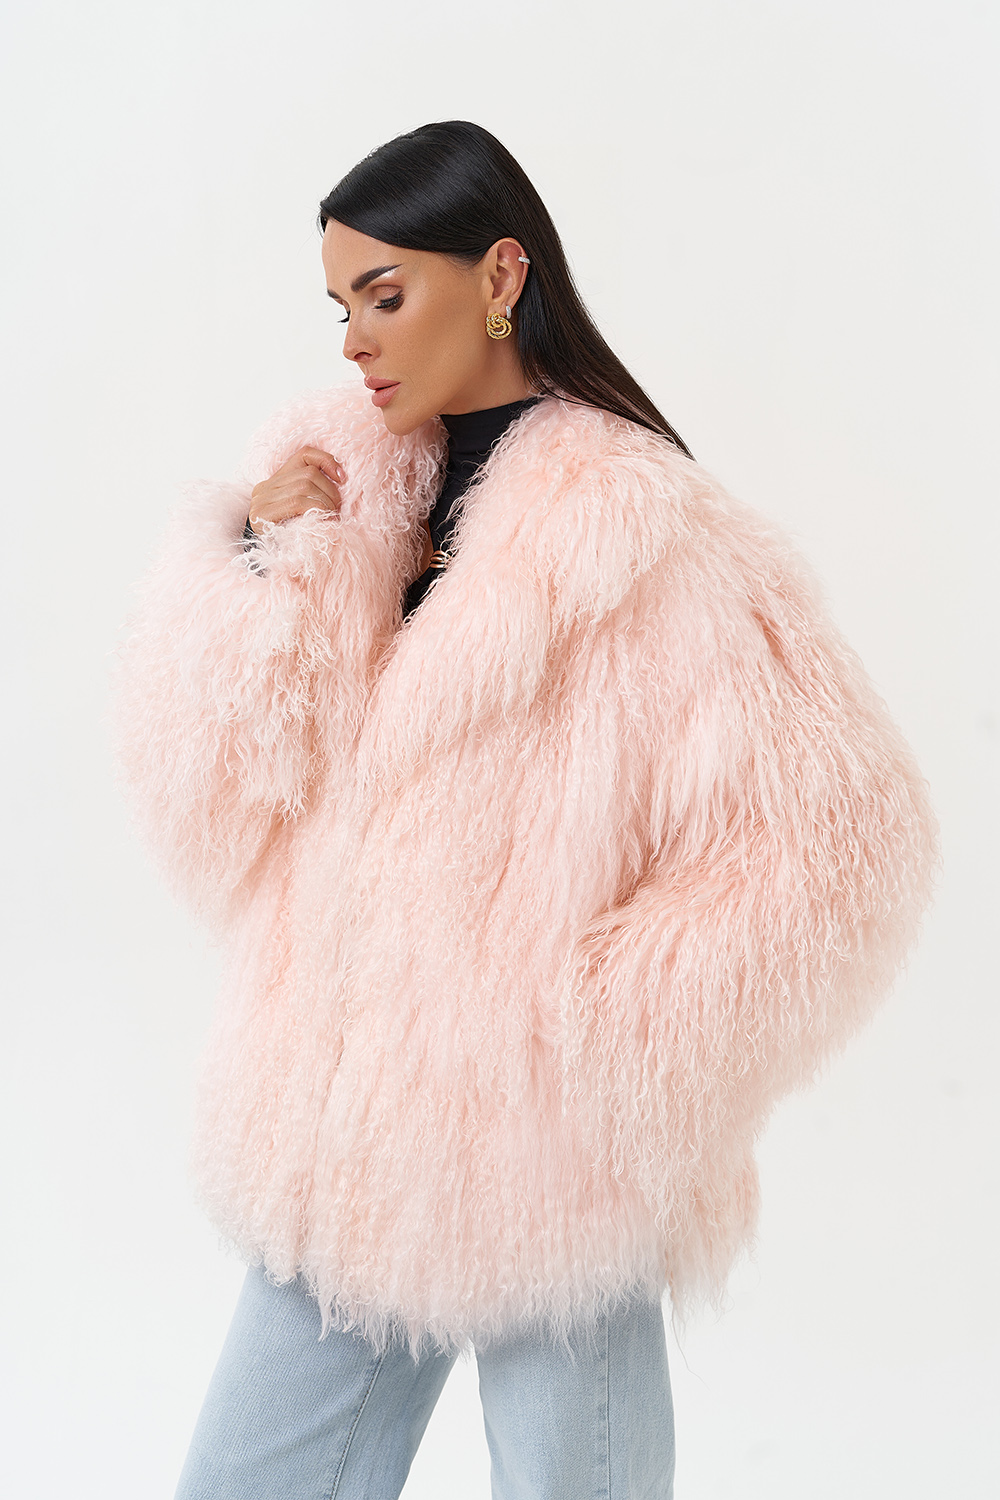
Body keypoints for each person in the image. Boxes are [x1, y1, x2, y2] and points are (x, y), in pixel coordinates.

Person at [112, 120, 938, 1500]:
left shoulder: (646, 537)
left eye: (386, 295)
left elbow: (846, 841)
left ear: (501, 275)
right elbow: (224, 810)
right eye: (340, 307)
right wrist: (261, 563)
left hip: (558, 1161)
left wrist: (596, 1043)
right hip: (342, 1139)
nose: (355, 342)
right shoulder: (350, 495)